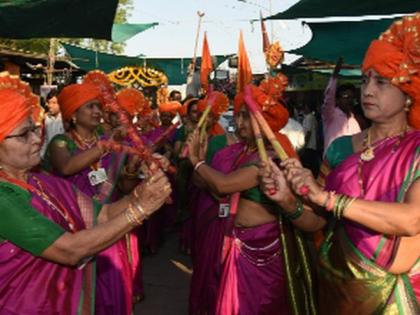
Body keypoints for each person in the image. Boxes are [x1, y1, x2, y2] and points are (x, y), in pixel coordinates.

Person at [260, 14, 420, 314]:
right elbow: (320, 221)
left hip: (398, 298)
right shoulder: (340, 148)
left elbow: (411, 220)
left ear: (409, 93)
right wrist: (287, 200)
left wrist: (325, 197)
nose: (368, 90)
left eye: (382, 82)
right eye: (365, 80)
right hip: (337, 288)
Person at [0, 72, 171, 313]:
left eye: (35, 129)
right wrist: (141, 208)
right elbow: (70, 250)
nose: (37, 138)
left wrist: (143, 193)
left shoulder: (44, 183)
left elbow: (102, 215)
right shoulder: (4, 196)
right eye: (23, 134)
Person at [187, 85, 316, 315]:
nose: (240, 121)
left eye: (247, 115)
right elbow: (202, 184)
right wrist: (204, 166)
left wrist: (197, 161)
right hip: (226, 237)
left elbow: (222, 185)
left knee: (254, 306)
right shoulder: (229, 152)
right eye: (238, 114)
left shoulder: (272, 158)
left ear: (264, 121)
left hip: (262, 247)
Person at [46, 82, 143, 314]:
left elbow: (125, 186)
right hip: (73, 229)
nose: (98, 112)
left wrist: (132, 168)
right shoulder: (61, 142)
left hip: (108, 225)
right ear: (73, 114)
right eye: (90, 107)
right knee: (77, 292)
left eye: (99, 107)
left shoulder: (111, 142)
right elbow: (66, 167)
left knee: (111, 289)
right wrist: (106, 145)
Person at [322, 56, 361, 155]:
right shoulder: (331, 115)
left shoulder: (353, 121)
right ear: (338, 100)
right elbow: (329, 97)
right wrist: (335, 74)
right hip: (332, 165)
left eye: (352, 97)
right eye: (346, 96)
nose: (349, 100)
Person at [41, 89, 64, 157]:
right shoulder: (46, 119)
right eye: (49, 102)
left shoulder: (66, 119)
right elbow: (46, 139)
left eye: (54, 103)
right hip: (49, 156)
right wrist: (41, 155)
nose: (50, 105)